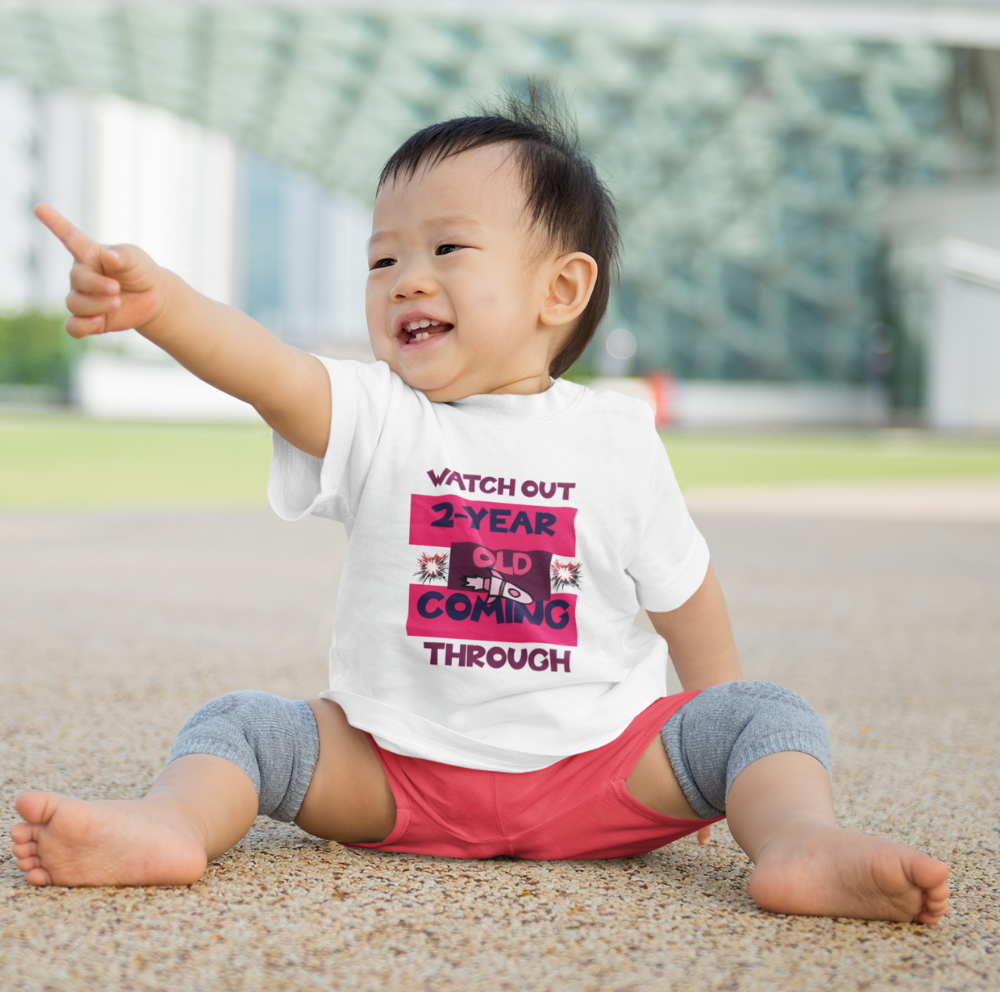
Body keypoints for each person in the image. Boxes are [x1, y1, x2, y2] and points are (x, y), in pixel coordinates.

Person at [10, 92, 949, 924]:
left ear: (562, 289)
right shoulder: (381, 419)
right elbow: (269, 371)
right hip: (395, 773)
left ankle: (796, 840)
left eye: (447, 248)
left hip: (598, 772)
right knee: (248, 726)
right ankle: (170, 825)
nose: (408, 278)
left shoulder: (615, 438)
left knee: (758, 716)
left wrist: (704, 744)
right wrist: (163, 303)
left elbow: (686, 595)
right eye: (384, 259)